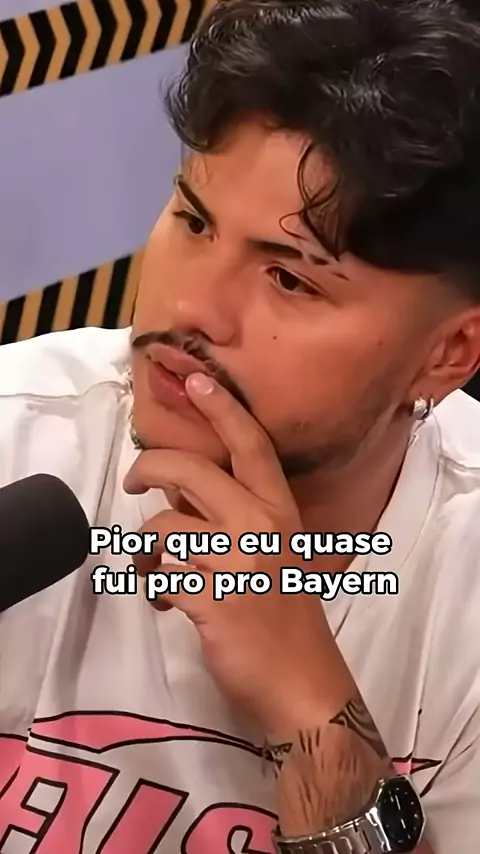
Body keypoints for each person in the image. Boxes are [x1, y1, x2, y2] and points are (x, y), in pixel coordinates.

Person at [1, 0, 480, 851]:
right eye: (193, 222)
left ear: (447, 354)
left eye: (291, 280)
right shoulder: (17, 435)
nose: (190, 309)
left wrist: (310, 707)